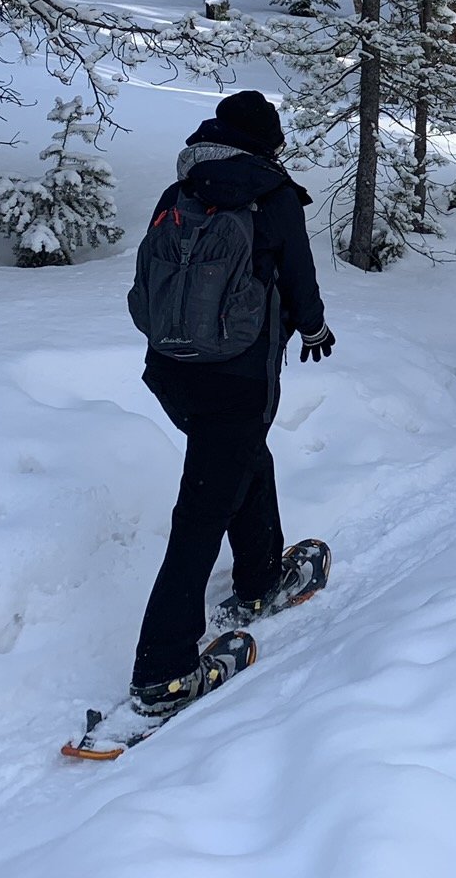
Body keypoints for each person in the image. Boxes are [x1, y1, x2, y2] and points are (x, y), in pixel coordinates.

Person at [125, 90, 335, 717]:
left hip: (169, 370)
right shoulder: (269, 192)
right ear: (265, 141)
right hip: (237, 375)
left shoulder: (180, 189)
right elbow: (298, 276)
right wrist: (315, 327)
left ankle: (260, 575)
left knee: (240, 457)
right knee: (199, 514)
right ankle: (162, 671)